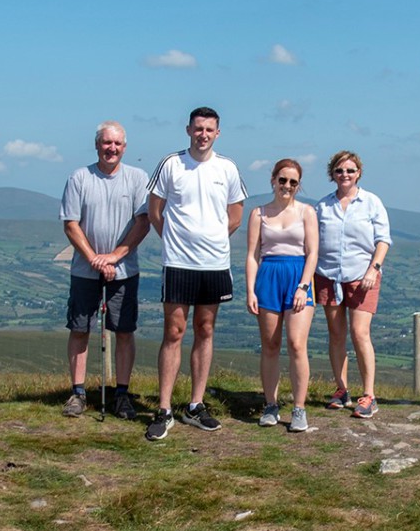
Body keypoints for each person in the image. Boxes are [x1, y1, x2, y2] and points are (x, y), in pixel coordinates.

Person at [145, 106, 248, 441]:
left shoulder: (227, 168)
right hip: (178, 262)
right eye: (198, 128)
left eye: (209, 129)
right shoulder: (171, 164)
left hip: (214, 263)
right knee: (174, 331)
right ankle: (164, 409)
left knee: (205, 329)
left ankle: (194, 405)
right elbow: (155, 210)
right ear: (188, 130)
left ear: (218, 133)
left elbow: (236, 215)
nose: (203, 134)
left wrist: (213, 239)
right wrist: (174, 240)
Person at [60, 121, 151, 420]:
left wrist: (113, 257)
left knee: (124, 330)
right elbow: (71, 224)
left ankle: (121, 394)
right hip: (84, 270)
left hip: (124, 270)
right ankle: (78, 393)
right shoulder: (79, 178)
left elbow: (143, 222)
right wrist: (94, 259)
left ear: (125, 147)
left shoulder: (137, 178)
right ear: (97, 145)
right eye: (106, 143)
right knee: (80, 329)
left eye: (117, 144)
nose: (111, 148)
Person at [314, 150, 391, 419]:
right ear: (332, 174)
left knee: (360, 333)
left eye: (350, 170)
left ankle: (369, 395)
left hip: (363, 277)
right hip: (328, 276)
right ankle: (341, 389)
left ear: (359, 173)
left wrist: (374, 269)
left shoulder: (371, 202)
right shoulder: (322, 206)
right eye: (339, 170)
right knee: (336, 334)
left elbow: (383, 240)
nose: (344, 174)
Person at [245, 158, 319, 433]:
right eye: (283, 180)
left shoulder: (307, 212)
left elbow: (313, 252)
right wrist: (250, 289)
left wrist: (303, 286)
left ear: (299, 186)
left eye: (293, 182)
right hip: (269, 276)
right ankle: (270, 405)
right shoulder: (259, 214)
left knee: (297, 344)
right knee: (270, 344)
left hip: (298, 275)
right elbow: (252, 255)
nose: (287, 185)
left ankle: (299, 408)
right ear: (273, 180)